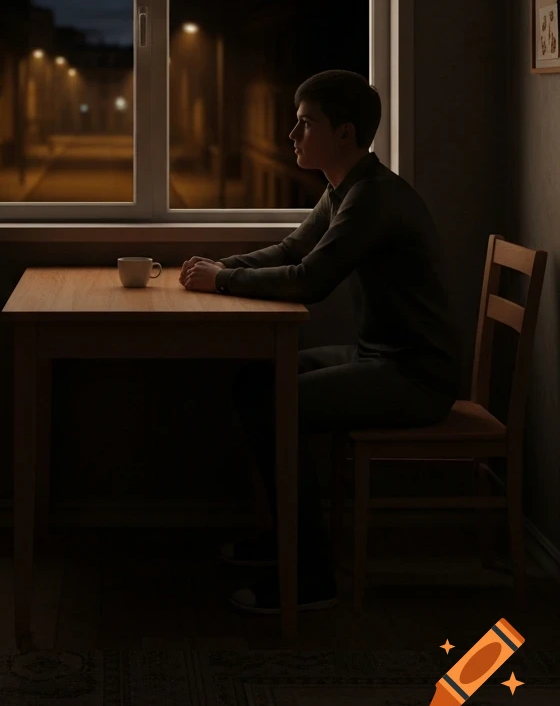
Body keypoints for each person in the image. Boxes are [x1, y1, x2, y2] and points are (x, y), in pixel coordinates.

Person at [180, 69, 460, 614]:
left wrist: (223, 280)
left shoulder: (373, 199)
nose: (292, 135)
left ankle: (310, 576)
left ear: (345, 134)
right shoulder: (347, 187)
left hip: (414, 375)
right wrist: (221, 267)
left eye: (305, 124)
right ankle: (284, 542)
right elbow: (292, 249)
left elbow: (310, 279)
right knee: (254, 380)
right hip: (378, 357)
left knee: (272, 405)